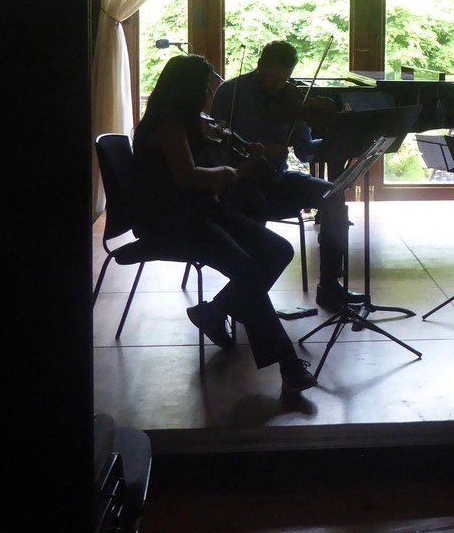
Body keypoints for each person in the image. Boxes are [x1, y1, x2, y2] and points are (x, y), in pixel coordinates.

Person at [131, 53, 316, 395]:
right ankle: (288, 364)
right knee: (246, 268)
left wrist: (234, 165)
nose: (209, 96)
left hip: (197, 211)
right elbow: (187, 178)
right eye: (205, 88)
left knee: (277, 250)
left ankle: (214, 312)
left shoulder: (186, 122)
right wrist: (229, 171)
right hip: (171, 220)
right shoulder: (168, 125)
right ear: (189, 89)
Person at [211, 40, 359, 314]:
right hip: (239, 181)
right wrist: (258, 152)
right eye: (269, 75)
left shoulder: (293, 100)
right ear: (259, 66)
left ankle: (329, 284)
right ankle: (248, 294)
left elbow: (304, 151)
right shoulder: (230, 92)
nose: (274, 84)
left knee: (332, 194)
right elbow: (213, 143)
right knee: (252, 203)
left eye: (282, 78)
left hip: (277, 180)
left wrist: (340, 140)